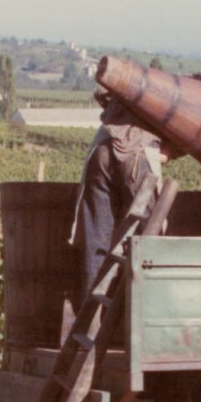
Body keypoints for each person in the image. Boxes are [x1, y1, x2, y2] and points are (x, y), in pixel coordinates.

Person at [70, 87, 179, 302]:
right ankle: (144, 313)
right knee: (149, 238)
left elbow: (100, 92)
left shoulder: (143, 89)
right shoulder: (180, 101)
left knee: (96, 242)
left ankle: (89, 321)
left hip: (100, 149)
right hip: (137, 155)